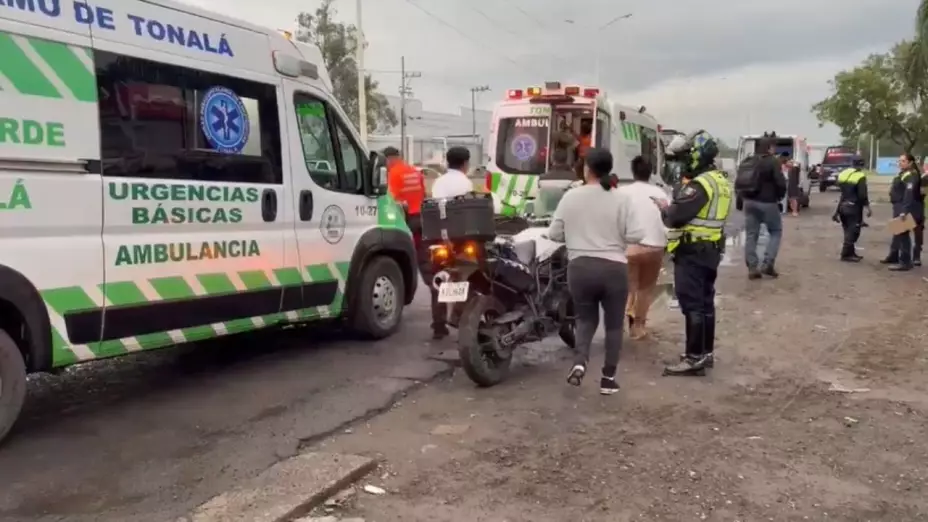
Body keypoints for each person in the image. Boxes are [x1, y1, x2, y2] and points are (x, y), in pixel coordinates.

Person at [547, 148, 636, 395]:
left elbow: (554, 234)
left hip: (580, 268)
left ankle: (579, 361)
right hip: (614, 269)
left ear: (587, 169)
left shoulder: (571, 197)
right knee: (614, 325)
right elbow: (636, 233)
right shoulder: (622, 198)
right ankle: (608, 379)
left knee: (585, 319)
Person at [653, 132, 730, 376]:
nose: (683, 164)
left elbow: (675, 218)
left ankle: (694, 357)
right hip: (711, 250)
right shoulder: (720, 181)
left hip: (693, 252)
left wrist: (665, 208)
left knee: (692, 304)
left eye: (685, 158)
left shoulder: (700, 185)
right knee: (706, 304)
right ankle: (705, 353)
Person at [422, 146, 475, 338]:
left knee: (439, 279)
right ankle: (459, 316)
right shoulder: (466, 183)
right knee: (467, 276)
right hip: (460, 238)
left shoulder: (438, 182)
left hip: (438, 238)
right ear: (465, 164)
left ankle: (438, 324)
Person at [619, 156, 669, 340]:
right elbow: (667, 220)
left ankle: (627, 318)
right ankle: (638, 327)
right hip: (654, 247)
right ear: (651, 172)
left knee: (629, 287)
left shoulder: (622, 192)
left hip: (628, 248)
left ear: (633, 171)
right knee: (646, 289)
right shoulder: (661, 193)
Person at [742, 137, 786, 279]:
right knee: (775, 231)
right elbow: (780, 182)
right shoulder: (772, 161)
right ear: (769, 148)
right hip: (767, 202)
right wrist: (779, 196)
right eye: (773, 147)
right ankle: (767, 264)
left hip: (749, 202)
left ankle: (752, 267)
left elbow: (741, 182)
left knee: (751, 235)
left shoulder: (748, 161)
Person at [881, 153, 921, 271]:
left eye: (903, 161)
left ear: (910, 163)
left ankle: (905, 262)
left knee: (903, 234)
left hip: (905, 207)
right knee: (897, 232)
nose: (900, 163)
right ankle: (893, 255)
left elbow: (909, 194)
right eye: (899, 161)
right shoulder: (904, 174)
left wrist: (904, 211)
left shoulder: (911, 175)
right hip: (898, 206)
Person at [833, 157, 871, 262]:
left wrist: (836, 212)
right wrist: (867, 207)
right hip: (853, 207)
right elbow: (862, 194)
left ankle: (851, 252)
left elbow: (842, 192)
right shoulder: (860, 176)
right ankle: (845, 254)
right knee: (853, 231)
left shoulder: (843, 174)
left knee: (847, 229)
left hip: (843, 207)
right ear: (862, 165)